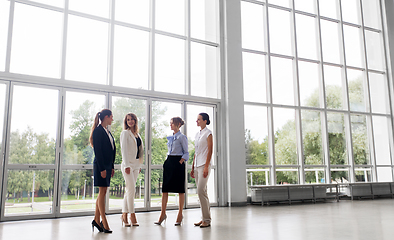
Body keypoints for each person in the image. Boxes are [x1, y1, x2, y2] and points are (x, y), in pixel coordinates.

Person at [155, 117, 189, 226]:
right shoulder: (171, 137)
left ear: (178, 124)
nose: (170, 125)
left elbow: (186, 152)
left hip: (178, 163)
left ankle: (180, 214)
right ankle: (162, 214)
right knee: (165, 189)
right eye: (170, 123)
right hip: (169, 162)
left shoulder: (182, 137)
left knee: (180, 189)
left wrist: (180, 161)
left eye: (172, 123)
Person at [90, 109, 115, 233]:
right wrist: (102, 169)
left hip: (107, 166)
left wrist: (112, 167)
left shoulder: (107, 132)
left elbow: (111, 151)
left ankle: (96, 220)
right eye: (111, 117)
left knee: (103, 193)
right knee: (102, 192)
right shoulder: (98, 131)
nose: (112, 119)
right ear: (106, 117)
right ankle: (104, 221)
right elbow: (98, 152)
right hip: (101, 166)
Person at [120, 113, 144, 227]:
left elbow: (139, 151)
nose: (130, 121)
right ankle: (132, 215)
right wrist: (126, 166)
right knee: (132, 190)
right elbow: (123, 150)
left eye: (132, 119)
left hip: (136, 165)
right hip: (128, 165)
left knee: (129, 190)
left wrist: (138, 166)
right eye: (128, 120)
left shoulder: (137, 135)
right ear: (126, 122)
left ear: (135, 120)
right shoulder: (125, 133)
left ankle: (124, 215)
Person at [191, 113, 213, 228]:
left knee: (201, 191)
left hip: (204, 165)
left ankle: (207, 220)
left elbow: (210, 151)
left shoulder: (208, 133)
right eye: (197, 120)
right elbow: (196, 152)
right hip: (197, 165)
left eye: (199, 119)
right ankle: (204, 218)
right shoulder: (197, 134)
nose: (197, 121)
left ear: (205, 121)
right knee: (202, 192)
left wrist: (206, 166)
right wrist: (193, 166)